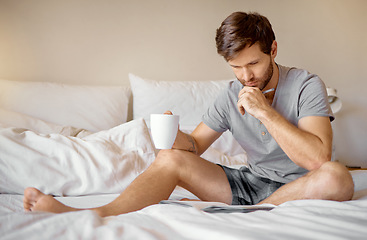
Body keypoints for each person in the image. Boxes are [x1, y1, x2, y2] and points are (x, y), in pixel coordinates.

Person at [23, 11, 354, 216]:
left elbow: (317, 158)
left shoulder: (306, 84)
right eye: (236, 67)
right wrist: (170, 134)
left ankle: (260, 212)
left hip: (302, 184)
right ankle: (97, 212)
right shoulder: (228, 95)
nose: (246, 76)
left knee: (337, 176)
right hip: (249, 184)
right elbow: (195, 147)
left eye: (253, 63)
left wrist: (264, 112)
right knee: (170, 160)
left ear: (274, 50)